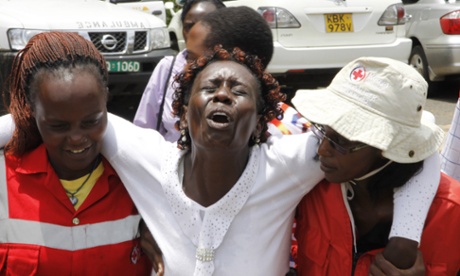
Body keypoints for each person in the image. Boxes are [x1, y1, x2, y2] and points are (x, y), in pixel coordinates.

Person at [100, 45, 441, 275]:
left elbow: (418, 145)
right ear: (183, 110)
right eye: (210, 87)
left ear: (261, 121)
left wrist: (403, 242)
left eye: (239, 91)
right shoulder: (148, 159)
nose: (222, 93)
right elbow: (74, 113)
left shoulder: (288, 165)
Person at [291, 56, 460, 275]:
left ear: (390, 147)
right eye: (323, 130)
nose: (322, 149)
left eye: (343, 141)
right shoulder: (311, 190)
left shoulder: (451, 213)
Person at [0, 32, 151, 274]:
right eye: (58, 126)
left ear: (106, 102)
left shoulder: (140, 182)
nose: (77, 138)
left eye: (91, 121)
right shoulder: (3, 182)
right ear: (31, 111)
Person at [133, 0, 226, 141]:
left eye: (207, 25)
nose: (197, 32)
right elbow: (144, 130)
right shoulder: (167, 68)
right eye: (189, 26)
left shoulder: (234, 71)